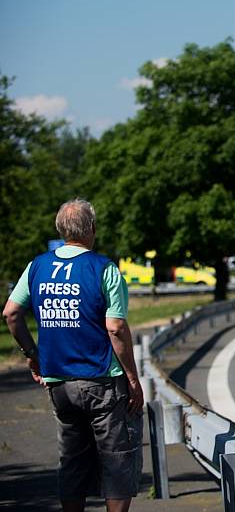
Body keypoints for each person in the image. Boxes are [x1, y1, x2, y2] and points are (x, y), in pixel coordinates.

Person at [2, 199, 143, 512]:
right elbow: (116, 328)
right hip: (102, 380)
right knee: (116, 460)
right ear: (92, 230)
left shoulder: (37, 266)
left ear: (60, 230)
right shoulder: (104, 269)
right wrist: (133, 379)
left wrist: (32, 355)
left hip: (59, 383)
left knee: (72, 462)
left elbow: (11, 313)